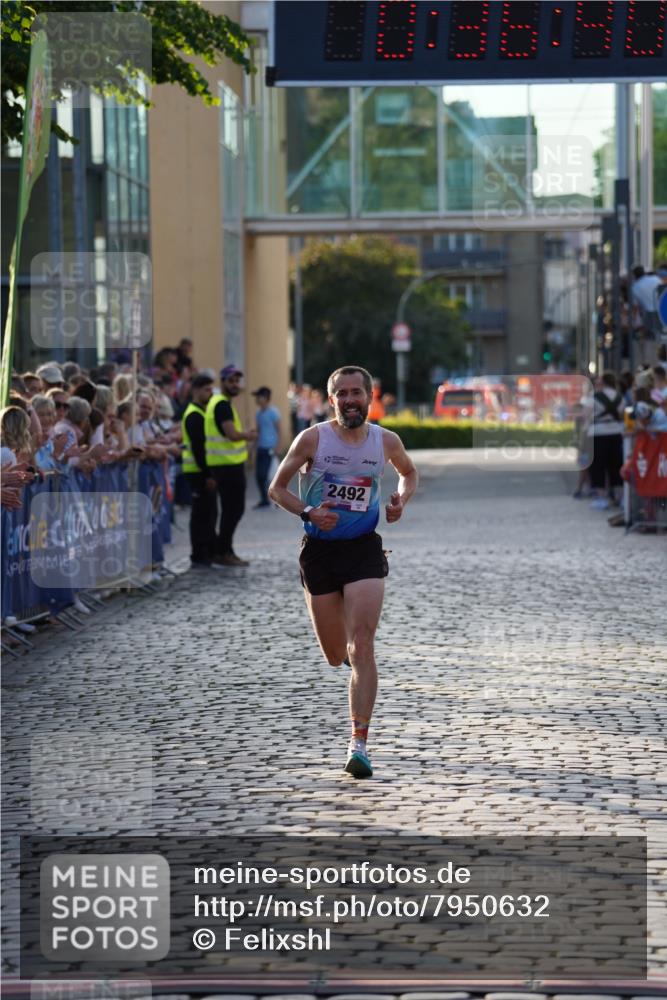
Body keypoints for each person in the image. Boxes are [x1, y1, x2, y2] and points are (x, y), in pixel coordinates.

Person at [269, 365, 418, 779]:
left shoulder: (385, 441)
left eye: (357, 393)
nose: (350, 400)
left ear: (370, 398)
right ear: (331, 399)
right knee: (337, 655)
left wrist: (400, 501)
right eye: (342, 394)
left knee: (362, 645)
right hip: (319, 552)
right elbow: (276, 489)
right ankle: (353, 682)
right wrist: (310, 510)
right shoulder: (312, 439)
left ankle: (359, 744)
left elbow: (408, 473)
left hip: (363, 551)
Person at [204, 365, 258, 566]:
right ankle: (223, 551)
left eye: (237, 381)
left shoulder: (219, 402)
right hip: (227, 466)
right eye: (231, 381)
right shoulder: (222, 405)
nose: (235, 385)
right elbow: (231, 434)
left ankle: (223, 549)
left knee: (231, 510)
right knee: (233, 510)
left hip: (224, 464)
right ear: (223, 381)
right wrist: (248, 435)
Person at [181, 373, 218, 567]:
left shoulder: (201, 412)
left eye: (211, 389)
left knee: (208, 512)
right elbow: (198, 448)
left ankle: (207, 551)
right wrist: (207, 474)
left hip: (200, 471)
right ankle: (200, 553)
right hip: (197, 472)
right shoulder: (194, 414)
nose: (210, 393)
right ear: (196, 390)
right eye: (207, 389)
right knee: (201, 514)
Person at [252, 386, 281, 508]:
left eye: (259, 396)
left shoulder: (274, 412)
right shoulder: (258, 413)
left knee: (270, 476)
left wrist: (277, 447)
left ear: (265, 398)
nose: (257, 399)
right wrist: (252, 447)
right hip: (261, 448)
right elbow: (258, 431)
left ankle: (278, 500)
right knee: (259, 476)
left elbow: (279, 430)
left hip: (270, 449)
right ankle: (264, 500)